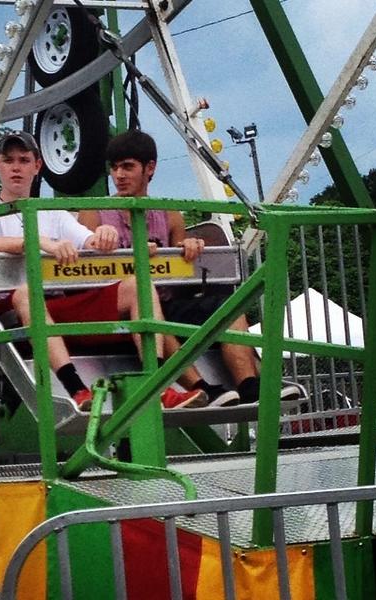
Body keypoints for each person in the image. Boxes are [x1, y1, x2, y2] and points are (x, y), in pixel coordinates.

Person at [0, 130, 207, 411]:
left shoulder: (53, 212)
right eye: (9, 160)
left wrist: (105, 234)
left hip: (55, 305)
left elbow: (87, 239)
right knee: (27, 293)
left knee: (136, 285)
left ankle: (155, 384)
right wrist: (38, 242)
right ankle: (76, 389)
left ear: (37, 166)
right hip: (11, 312)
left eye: (24, 160)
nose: (16, 167)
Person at [78, 129, 301, 405]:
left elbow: (178, 268)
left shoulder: (169, 214)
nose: (119, 175)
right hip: (121, 308)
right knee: (150, 309)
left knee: (229, 306)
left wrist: (191, 247)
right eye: (114, 168)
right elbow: (85, 267)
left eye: (127, 167)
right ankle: (201, 387)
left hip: (164, 303)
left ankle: (250, 385)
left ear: (150, 168)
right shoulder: (94, 212)